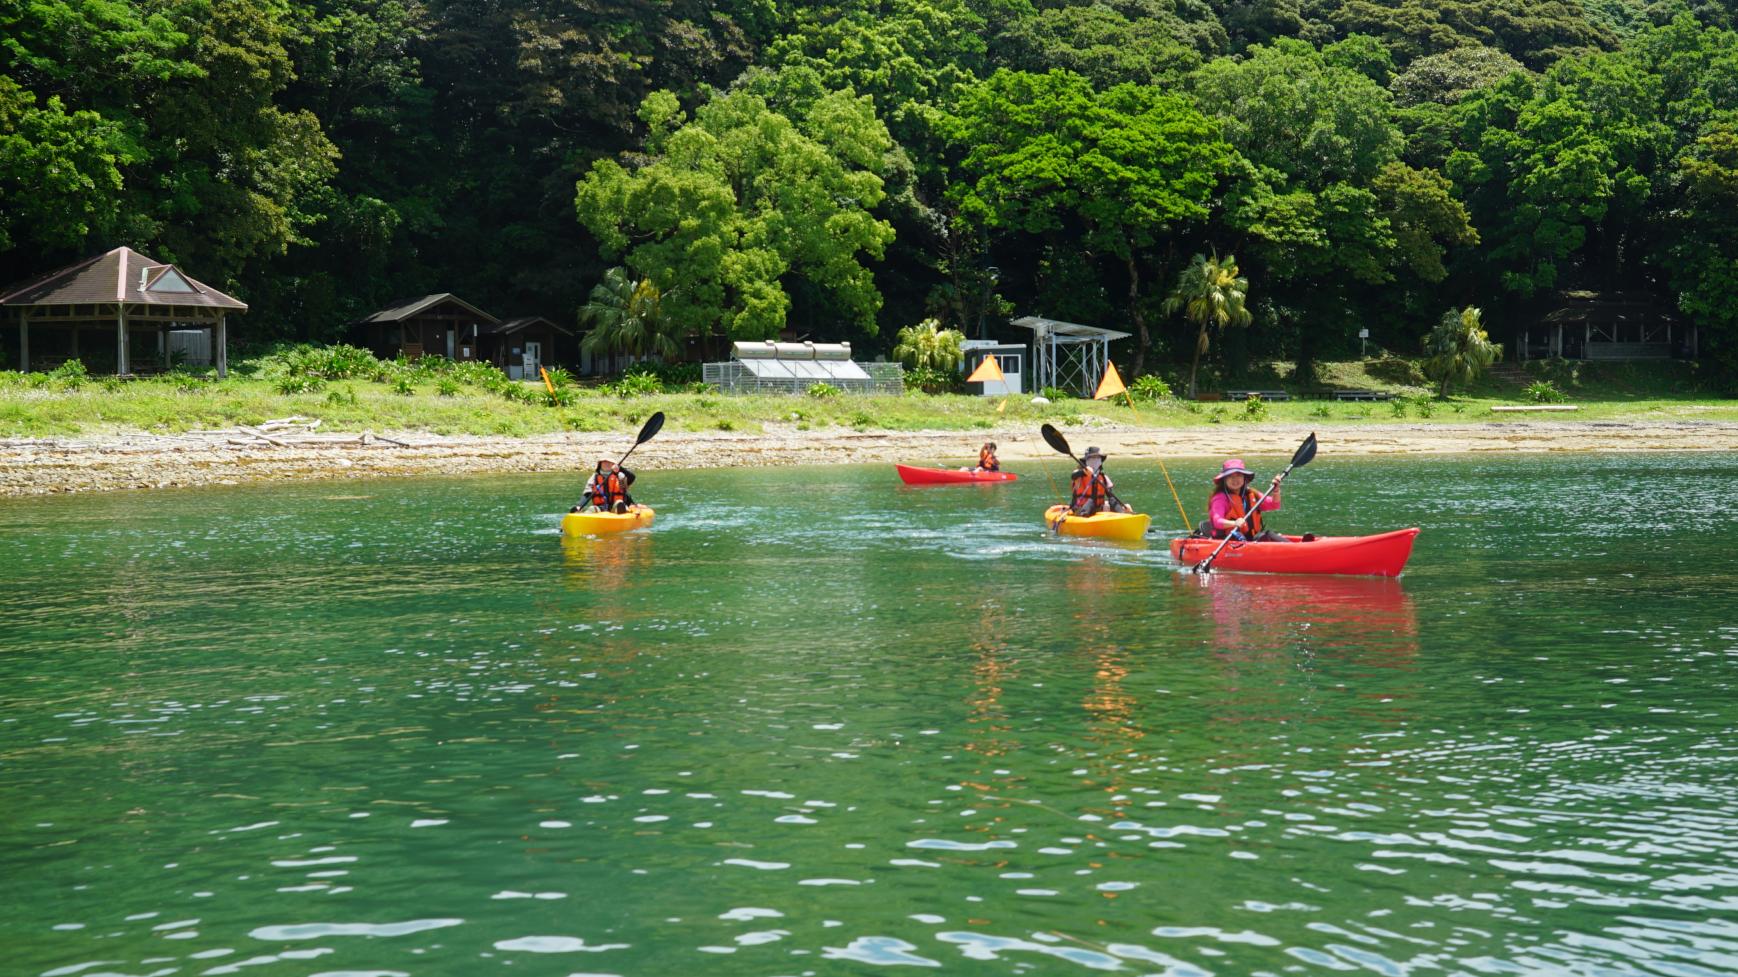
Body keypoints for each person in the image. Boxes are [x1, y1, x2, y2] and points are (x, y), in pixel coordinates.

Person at [1206, 458, 1289, 541]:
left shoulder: (1251, 494)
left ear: (1244, 478)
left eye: (1238, 475)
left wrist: (1276, 490)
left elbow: (1274, 504)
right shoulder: (1220, 498)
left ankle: (1295, 547)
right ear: (1224, 480)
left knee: (1268, 534)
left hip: (1250, 539)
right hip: (1229, 541)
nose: (1235, 479)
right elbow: (1217, 521)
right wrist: (1234, 523)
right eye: (1230, 476)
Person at [1070, 447, 1132, 516]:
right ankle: (1084, 515)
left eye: (1097, 458)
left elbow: (1111, 498)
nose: (1095, 460)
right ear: (1086, 461)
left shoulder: (1103, 477)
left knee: (1126, 507)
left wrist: (1122, 509)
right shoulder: (1079, 475)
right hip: (1080, 509)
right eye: (1092, 458)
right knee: (1088, 506)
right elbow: (1073, 476)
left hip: (1098, 509)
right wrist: (1084, 472)